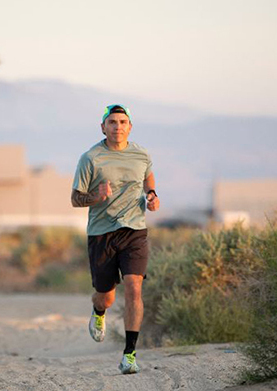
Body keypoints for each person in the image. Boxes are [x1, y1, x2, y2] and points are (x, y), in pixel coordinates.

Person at [71, 104, 160, 374]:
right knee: (106, 297)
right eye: (112, 122)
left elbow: (147, 176)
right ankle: (99, 313)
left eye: (122, 122)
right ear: (103, 127)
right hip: (101, 234)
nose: (117, 126)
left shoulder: (141, 154)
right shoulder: (90, 158)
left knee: (134, 288)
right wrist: (96, 197)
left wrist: (152, 194)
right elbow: (75, 199)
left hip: (134, 230)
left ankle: (129, 354)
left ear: (129, 127)